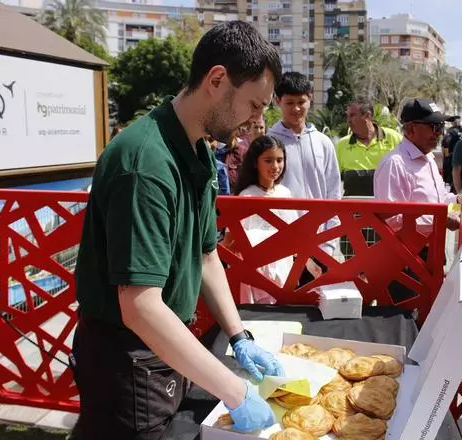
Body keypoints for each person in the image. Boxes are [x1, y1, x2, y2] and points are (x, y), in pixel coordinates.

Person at [71, 21, 284, 439]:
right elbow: (140, 306)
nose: (257, 120)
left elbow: (206, 256)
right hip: (127, 358)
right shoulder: (145, 163)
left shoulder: (199, 151)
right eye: (254, 106)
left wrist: (239, 335)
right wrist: (234, 391)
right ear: (217, 79)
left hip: (164, 348)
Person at [374, 99, 462, 302]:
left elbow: (437, 199)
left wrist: (457, 199)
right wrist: (440, 220)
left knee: (429, 319)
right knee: (404, 323)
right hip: (405, 261)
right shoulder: (395, 163)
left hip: (431, 254)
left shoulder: (427, 158)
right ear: (411, 129)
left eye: (441, 126)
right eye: (433, 126)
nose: (439, 133)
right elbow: (390, 219)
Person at [268, 72, 341, 282]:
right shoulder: (268, 143)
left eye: (301, 101)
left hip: (320, 245)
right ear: (277, 101)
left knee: (317, 308)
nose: (296, 108)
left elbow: (334, 195)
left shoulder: (324, 143)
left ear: (310, 98)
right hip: (280, 245)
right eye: (289, 102)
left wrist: (328, 244)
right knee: (281, 311)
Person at [224, 135, 300, 304]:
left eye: (280, 160)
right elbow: (229, 244)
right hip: (255, 280)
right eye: (268, 160)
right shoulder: (246, 196)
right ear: (255, 162)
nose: (275, 166)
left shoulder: (285, 194)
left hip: (283, 274)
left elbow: (296, 236)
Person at [335, 96, 402, 197]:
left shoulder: (394, 138)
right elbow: (332, 181)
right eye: (347, 116)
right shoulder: (341, 145)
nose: (348, 120)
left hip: (387, 210)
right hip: (352, 210)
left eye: (352, 115)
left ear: (367, 115)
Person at [441, 116, 462, 189]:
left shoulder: (451, 132)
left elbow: (446, 144)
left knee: (451, 179)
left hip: (452, 158)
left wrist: (446, 156)